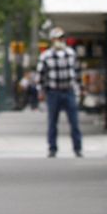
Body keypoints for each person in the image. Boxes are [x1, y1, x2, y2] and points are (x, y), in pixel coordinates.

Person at [37, 27, 83, 157]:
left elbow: (77, 73)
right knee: (52, 122)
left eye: (62, 38)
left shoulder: (71, 53)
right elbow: (41, 76)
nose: (60, 41)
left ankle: (77, 148)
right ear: (52, 40)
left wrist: (79, 89)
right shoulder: (46, 56)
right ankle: (52, 148)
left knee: (74, 122)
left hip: (69, 91)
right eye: (57, 38)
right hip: (53, 92)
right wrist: (41, 92)